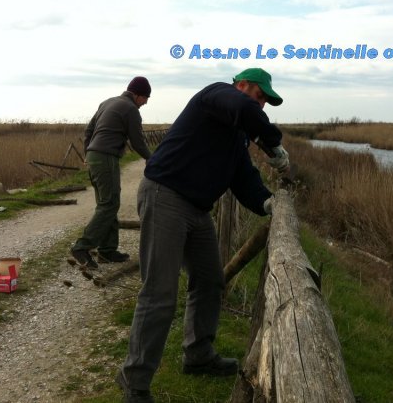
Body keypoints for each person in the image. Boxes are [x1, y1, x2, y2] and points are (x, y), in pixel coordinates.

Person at [117, 68, 289, 403]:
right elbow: (243, 109)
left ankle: (197, 353)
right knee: (160, 292)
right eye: (260, 96)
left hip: (196, 209)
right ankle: (133, 379)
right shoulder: (215, 96)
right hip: (165, 195)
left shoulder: (237, 133)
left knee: (210, 279)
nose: (262, 105)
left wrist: (268, 202)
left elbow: (243, 177)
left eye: (266, 101)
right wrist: (274, 145)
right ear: (241, 85)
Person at [70, 76, 153, 270]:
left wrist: (87, 153)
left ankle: (107, 251)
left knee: (107, 203)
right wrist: (152, 158)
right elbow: (137, 140)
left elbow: (88, 130)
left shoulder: (107, 102)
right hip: (106, 157)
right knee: (109, 203)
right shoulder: (131, 109)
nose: (146, 102)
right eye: (146, 98)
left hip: (94, 156)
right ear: (137, 95)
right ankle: (81, 247)